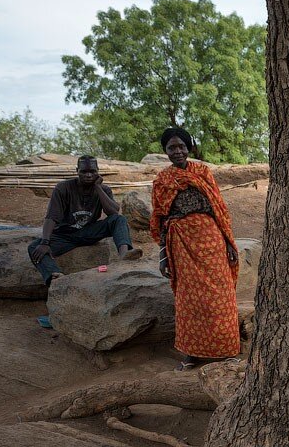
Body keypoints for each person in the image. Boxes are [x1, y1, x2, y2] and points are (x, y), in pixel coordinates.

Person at [149, 127, 240, 371]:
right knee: (188, 300)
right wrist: (163, 257)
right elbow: (160, 219)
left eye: (181, 146)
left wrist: (229, 242)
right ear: (165, 151)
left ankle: (226, 350)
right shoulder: (162, 180)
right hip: (180, 244)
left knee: (220, 295)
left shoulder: (202, 171)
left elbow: (218, 207)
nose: (177, 151)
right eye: (172, 148)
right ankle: (192, 354)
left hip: (211, 239)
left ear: (188, 148)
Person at [29, 155, 140, 285]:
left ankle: (124, 256)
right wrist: (45, 242)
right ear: (77, 171)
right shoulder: (63, 188)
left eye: (92, 172)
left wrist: (98, 187)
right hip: (64, 235)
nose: (88, 175)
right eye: (84, 172)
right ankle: (55, 275)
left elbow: (113, 212)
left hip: (89, 232)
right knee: (34, 247)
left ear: (98, 171)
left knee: (118, 219)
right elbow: (51, 217)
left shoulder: (104, 189)